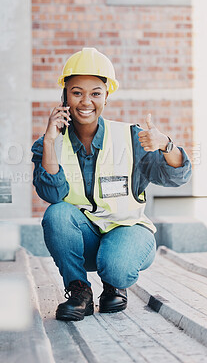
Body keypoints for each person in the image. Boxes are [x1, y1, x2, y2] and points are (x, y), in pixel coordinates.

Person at [31, 47, 192, 321]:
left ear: (106, 96)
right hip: (84, 239)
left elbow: (176, 177)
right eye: (77, 92)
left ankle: (114, 284)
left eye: (95, 93)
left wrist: (166, 144)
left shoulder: (130, 137)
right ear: (65, 96)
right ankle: (79, 290)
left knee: (116, 266)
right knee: (56, 213)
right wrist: (48, 141)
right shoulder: (50, 143)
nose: (86, 101)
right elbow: (52, 193)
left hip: (128, 232)